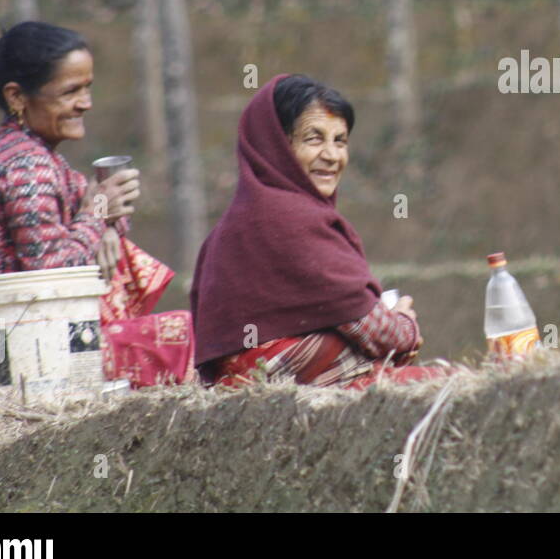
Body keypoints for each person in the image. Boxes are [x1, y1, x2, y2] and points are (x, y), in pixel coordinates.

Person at [0, 22, 195, 405]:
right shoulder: (25, 167)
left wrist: (107, 223)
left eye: (87, 87)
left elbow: (88, 215)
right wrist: (100, 214)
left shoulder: (33, 156)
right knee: (185, 335)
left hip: (5, 343)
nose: (86, 103)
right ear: (16, 96)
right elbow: (53, 273)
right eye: (71, 92)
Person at [191, 74, 448, 390]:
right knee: (447, 385)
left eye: (339, 141)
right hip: (305, 397)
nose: (331, 156)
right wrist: (405, 324)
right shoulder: (293, 220)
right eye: (314, 139)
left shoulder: (224, 234)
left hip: (266, 403)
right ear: (276, 146)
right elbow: (378, 334)